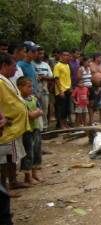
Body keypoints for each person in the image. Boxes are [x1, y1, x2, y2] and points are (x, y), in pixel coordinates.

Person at [0, 53, 30, 198]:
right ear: (4, 66)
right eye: (13, 66)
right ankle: (4, 187)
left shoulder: (6, 80)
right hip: (6, 128)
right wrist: (3, 118)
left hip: (14, 127)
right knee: (4, 159)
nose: (15, 70)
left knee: (11, 156)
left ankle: (13, 181)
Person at [17, 77, 43, 185]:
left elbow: (40, 111)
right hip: (27, 130)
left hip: (36, 128)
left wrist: (35, 113)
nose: (31, 88)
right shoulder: (20, 101)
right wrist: (36, 113)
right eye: (28, 86)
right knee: (28, 153)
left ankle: (35, 173)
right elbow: (31, 115)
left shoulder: (33, 98)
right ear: (20, 87)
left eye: (31, 86)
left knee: (37, 151)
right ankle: (27, 176)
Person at [32, 47, 53, 131]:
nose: (41, 55)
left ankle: (44, 127)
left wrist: (43, 77)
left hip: (44, 89)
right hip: (34, 90)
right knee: (35, 109)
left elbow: (51, 77)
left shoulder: (46, 64)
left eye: (42, 54)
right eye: (39, 53)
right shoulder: (31, 64)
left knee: (45, 109)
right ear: (35, 53)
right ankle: (37, 127)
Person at [53, 50, 72, 129]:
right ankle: (61, 125)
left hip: (68, 89)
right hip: (61, 90)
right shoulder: (57, 65)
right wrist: (60, 91)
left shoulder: (67, 65)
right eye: (65, 55)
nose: (67, 57)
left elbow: (68, 78)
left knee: (67, 109)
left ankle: (65, 123)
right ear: (61, 56)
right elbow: (56, 78)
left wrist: (70, 88)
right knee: (61, 108)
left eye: (68, 55)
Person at [78, 56, 95, 125]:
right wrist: (83, 88)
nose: (89, 63)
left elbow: (91, 78)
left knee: (91, 105)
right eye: (88, 62)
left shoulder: (89, 69)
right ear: (84, 62)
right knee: (83, 105)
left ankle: (91, 121)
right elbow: (79, 80)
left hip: (90, 87)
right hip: (84, 88)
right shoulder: (81, 69)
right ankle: (82, 122)